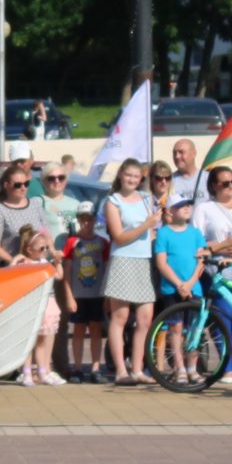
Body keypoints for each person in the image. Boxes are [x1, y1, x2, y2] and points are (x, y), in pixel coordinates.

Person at [95, 159, 158, 384]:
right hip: (123, 260)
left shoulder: (146, 198)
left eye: (136, 176)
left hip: (144, 260)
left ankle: (138, 368)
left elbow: (152, 232)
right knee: (120, 317)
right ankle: (121, 370)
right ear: (121, 175)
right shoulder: (113, 202)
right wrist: (146, 225)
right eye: (128, 175)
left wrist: (154, 232)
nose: (132, 179)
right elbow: (119, 237)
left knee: (144, 319)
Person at [14, 225, 67, 386]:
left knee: (43, 339)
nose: (44, 250)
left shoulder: (45, 262)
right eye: (41, 248)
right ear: (29, 249)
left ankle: (43, 371)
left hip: (48, 302)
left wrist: (57, 262)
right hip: (32, 304)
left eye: (46, 248)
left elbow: (59, 276)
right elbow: (12, 275)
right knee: (30, 341)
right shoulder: (24, 263)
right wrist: (15, 260)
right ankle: (27, 372)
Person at [61, 203, 109, 380]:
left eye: (90, 219)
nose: (86, 222)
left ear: (95, 219)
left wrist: (106, 296)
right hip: (78, 294)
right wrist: (69, 295)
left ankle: (96, 367)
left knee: (96, 330)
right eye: (83, 219)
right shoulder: (71, 243)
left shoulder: (102, 243)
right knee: (79, 330)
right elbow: (66, 271)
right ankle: (78, 367)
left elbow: (106, 268)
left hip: (97, 294)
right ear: (78, 220)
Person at [0, 166, 48, 266]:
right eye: (18, 185)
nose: (23, 188)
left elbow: (47, 236)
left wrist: (54, 253)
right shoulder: (0, 210)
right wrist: (15, 261)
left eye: (26, 184)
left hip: (39, 266)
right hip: (15, 269)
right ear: (6, 185)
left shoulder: (35, 204)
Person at [38, 167, 85, 242]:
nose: (57, 181)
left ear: (66, 180)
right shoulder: (37, 202)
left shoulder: (76, 203)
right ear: (44, 181)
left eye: (61, 177)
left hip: (73, 251)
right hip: (49, 252)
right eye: (51, 178)